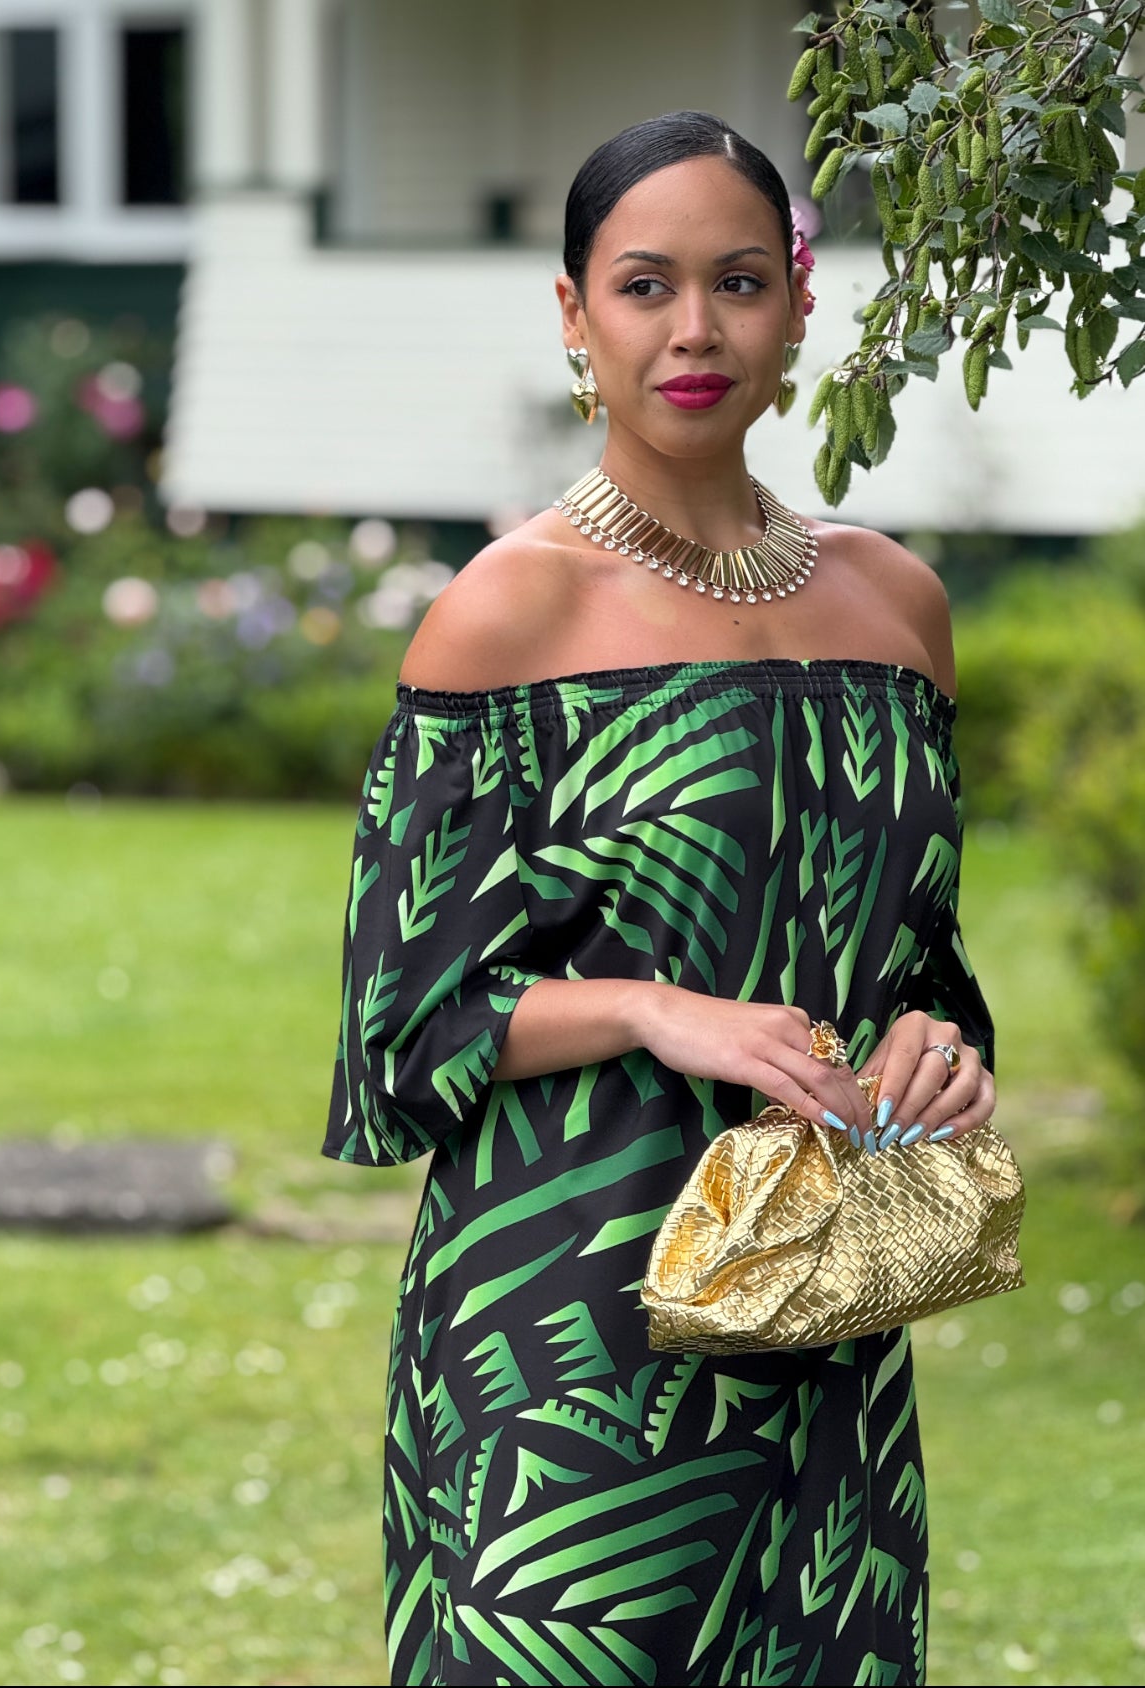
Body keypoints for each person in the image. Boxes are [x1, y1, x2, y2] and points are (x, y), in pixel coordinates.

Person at [322, 110, 996, 1688]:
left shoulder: (894, 605)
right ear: (574, 314)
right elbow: (396, 1026)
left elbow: (925, 961)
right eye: (643, 286)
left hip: (821, 1314)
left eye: (737, 282)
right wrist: (649, 1007)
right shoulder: (510, 612)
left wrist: (939, 1049)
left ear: (801, 302)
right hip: (557, 1355)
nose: (694, 330)